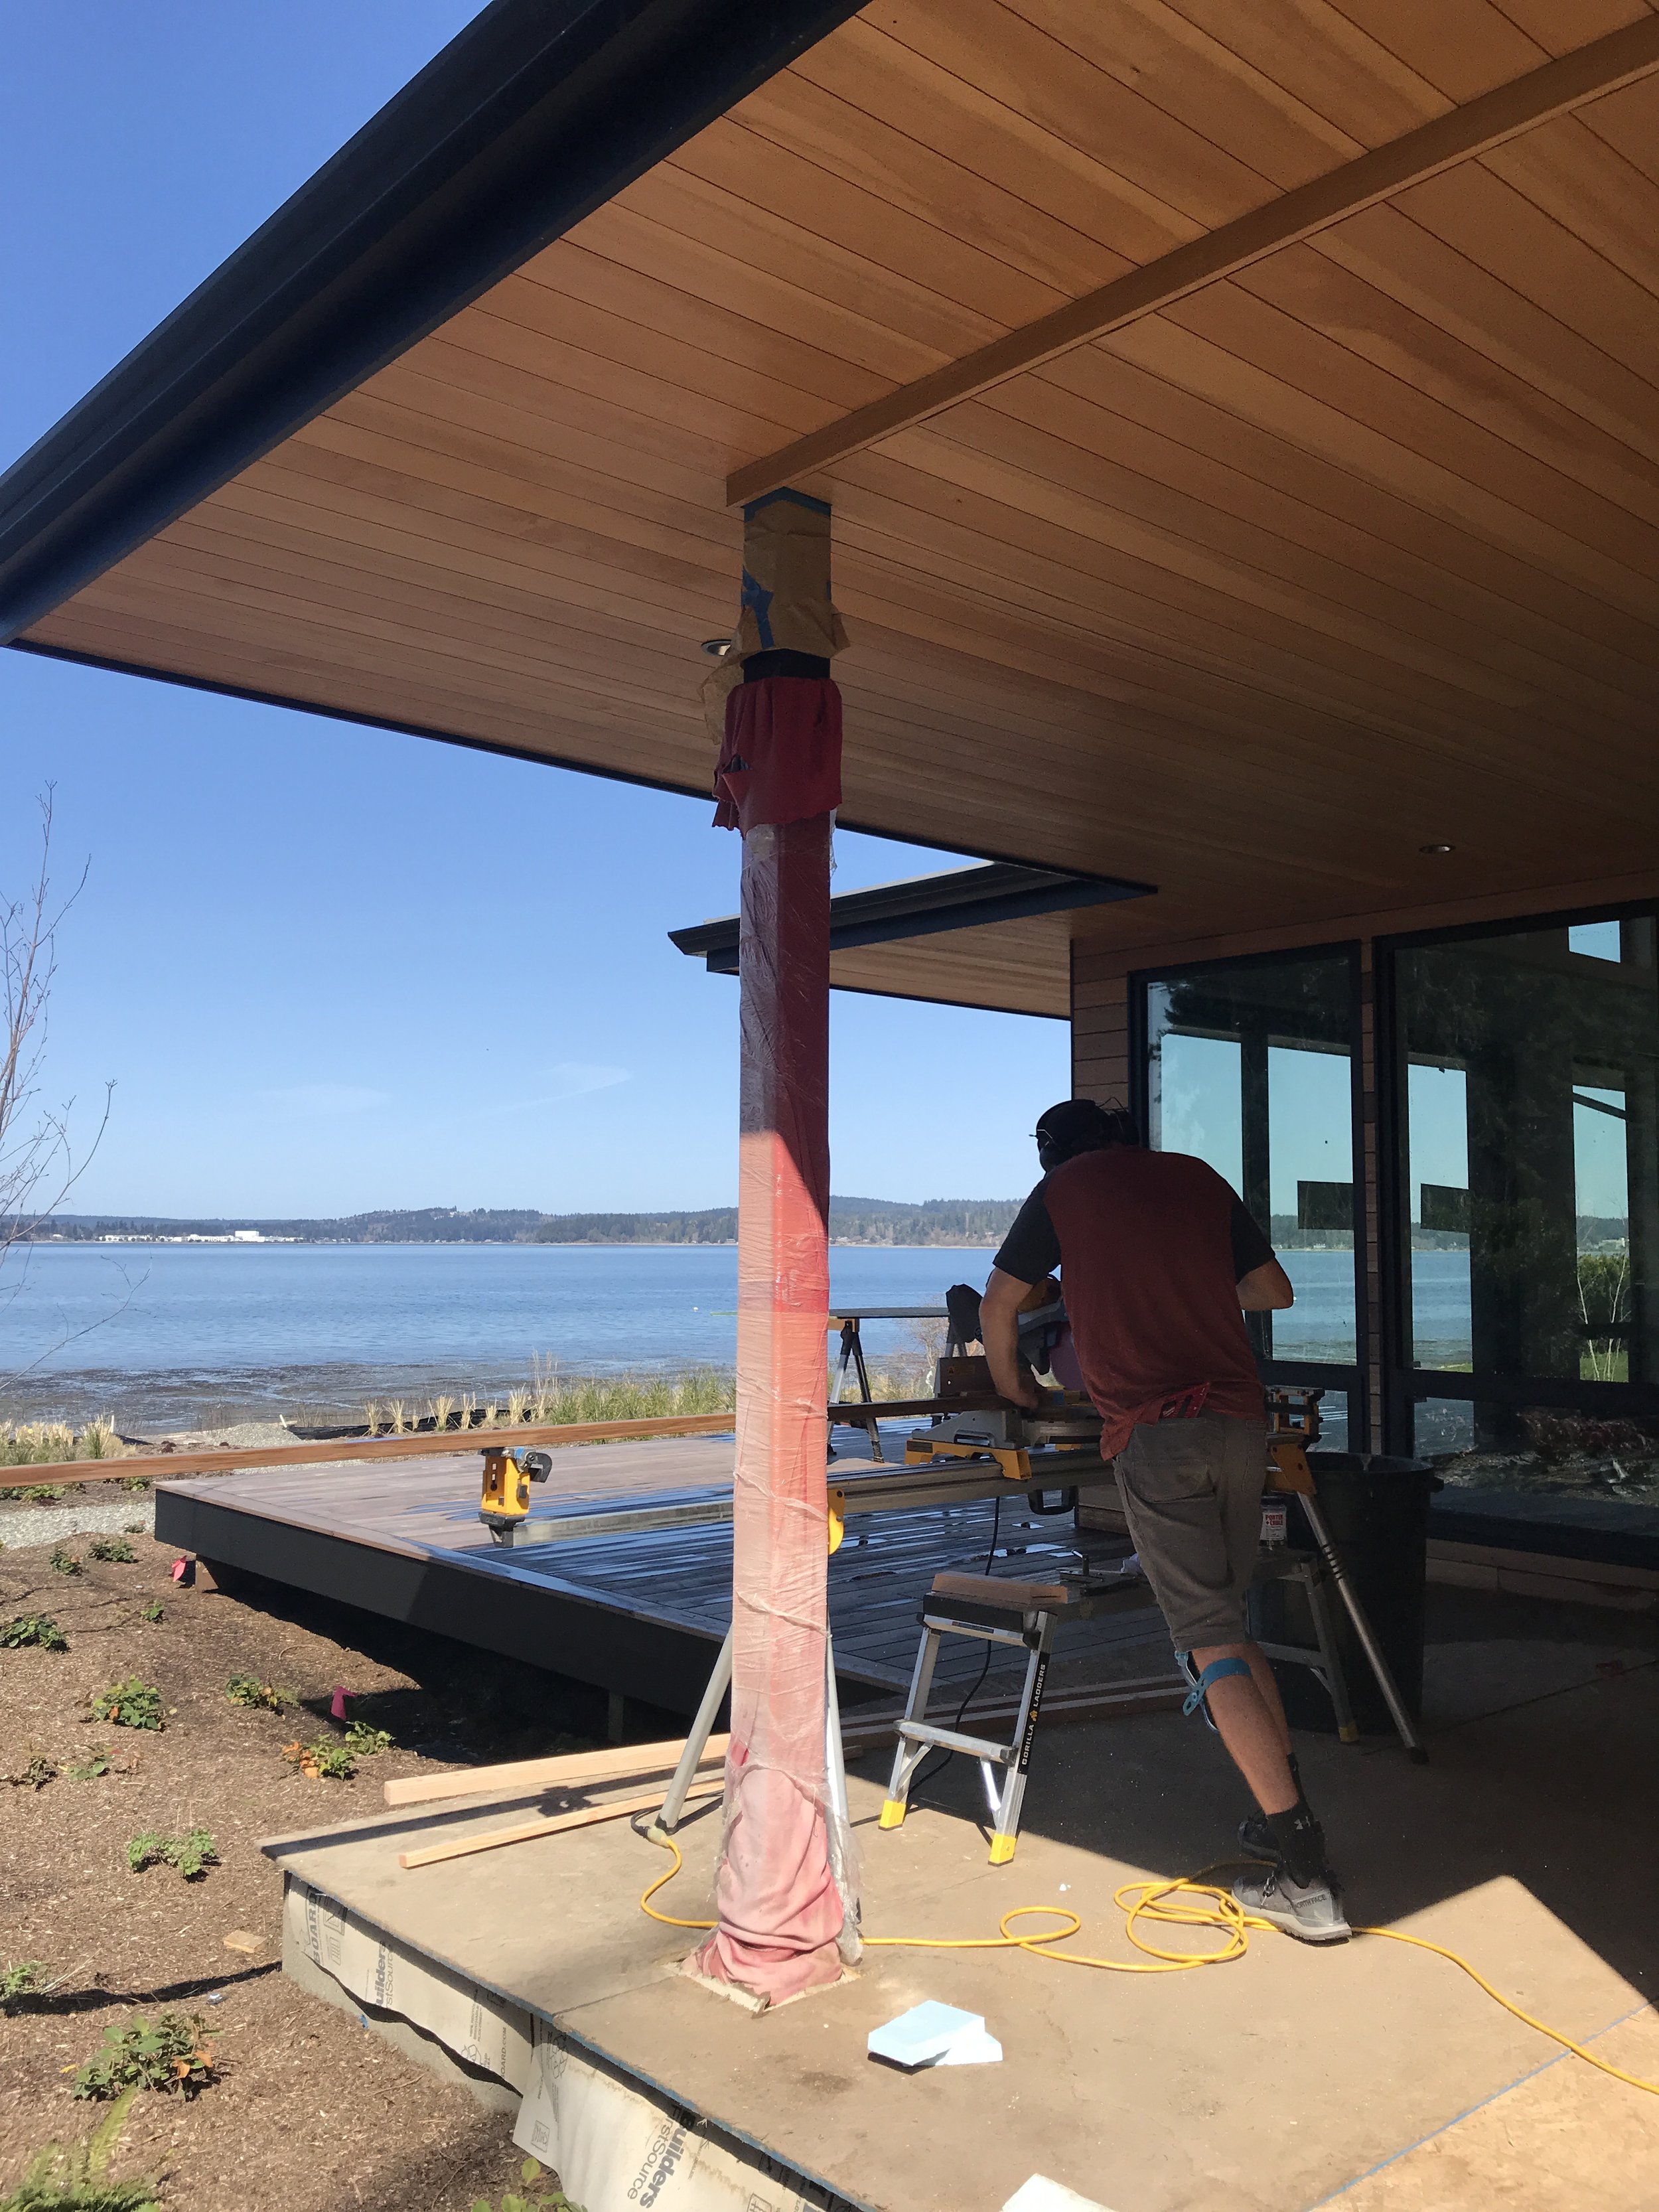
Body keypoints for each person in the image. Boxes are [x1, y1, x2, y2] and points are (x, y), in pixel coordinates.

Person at [979, 1096, 1348, 1944]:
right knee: (1232, 1622)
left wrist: (1015, 1389)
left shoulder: (1065, 1190)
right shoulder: (1193, 1177)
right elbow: (1272, 1292)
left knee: (1205, 1637)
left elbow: (1001, 1305)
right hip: (1239, 1423)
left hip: (1156, 1432)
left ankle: (1305, 1875)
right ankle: (1276, 1811)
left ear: (1053, 1154)